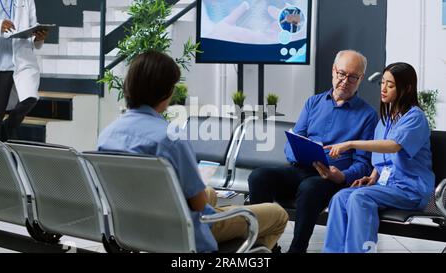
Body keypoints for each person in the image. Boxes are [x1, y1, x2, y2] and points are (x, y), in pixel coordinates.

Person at [97, 50, 289, 253]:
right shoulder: (170, 138)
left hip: (134, 227)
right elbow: (197, 204)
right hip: (183, 231)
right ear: (166, 92)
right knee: (278, 214)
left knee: (210, 193)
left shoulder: (108, 135)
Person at [248, 50, 379, 253]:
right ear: (334, 71)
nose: (345, 81)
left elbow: (364, 163)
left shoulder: (368, 115)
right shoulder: (313, 103)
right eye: (342, 74)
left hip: (332, 179)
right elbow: (291, 143)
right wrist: (299, 154)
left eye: (353, 77)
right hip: (301, 168)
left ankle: (297, 249)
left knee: (310, 187)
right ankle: (265, 246)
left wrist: (341, 176)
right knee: (258, 176)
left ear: (361, 79)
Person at [323, 62, 435, 253]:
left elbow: (393, 146)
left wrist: (351, 143)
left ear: (407, 88)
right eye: (382, 83)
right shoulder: (386, 118)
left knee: (359, 198)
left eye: (390, 85)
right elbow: (383, 154)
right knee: (340, 197)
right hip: (386, 186)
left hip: (410, 190)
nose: (383, 89)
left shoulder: (415, 117)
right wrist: (373, 177)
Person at [0, 0, 48, 141]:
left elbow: (32, 27)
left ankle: (5, 131)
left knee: (30, 98)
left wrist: (37, 38)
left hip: (21, 60)